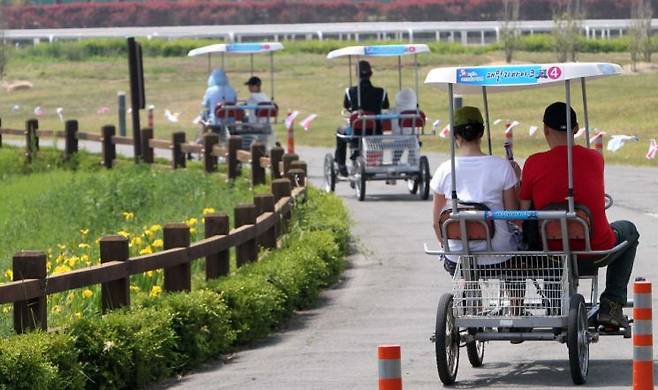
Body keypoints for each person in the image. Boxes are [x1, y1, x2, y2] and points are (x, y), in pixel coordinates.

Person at [520, 102, 639, 329]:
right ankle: (612, 303)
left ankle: (556, 302)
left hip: (552, 253)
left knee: (548, 233)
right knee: (629, 230)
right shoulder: (596, 159)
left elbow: (523, 212)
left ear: (545, 130)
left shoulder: (533, 163)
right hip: (595, 250)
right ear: (576, 129)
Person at [431, 106, 521, 273]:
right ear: (481, 133)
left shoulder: (444, 169)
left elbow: (436, 223)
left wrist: (444, 246)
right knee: (517, 265)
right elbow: (513, 214)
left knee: (461, 267)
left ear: (455, 135)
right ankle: (515, 299)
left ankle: (467, 291)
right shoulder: (502, 166)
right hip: (498, 253)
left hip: (458, 253)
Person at [335, 60, 390, 176]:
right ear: (371, 74)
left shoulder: (350, 91)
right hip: (375, 131)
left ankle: (341, 164)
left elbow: (346, 106)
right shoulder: (381, 92)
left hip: (356, 131)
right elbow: (386, 106)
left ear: (357, 74)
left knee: (340, 131)